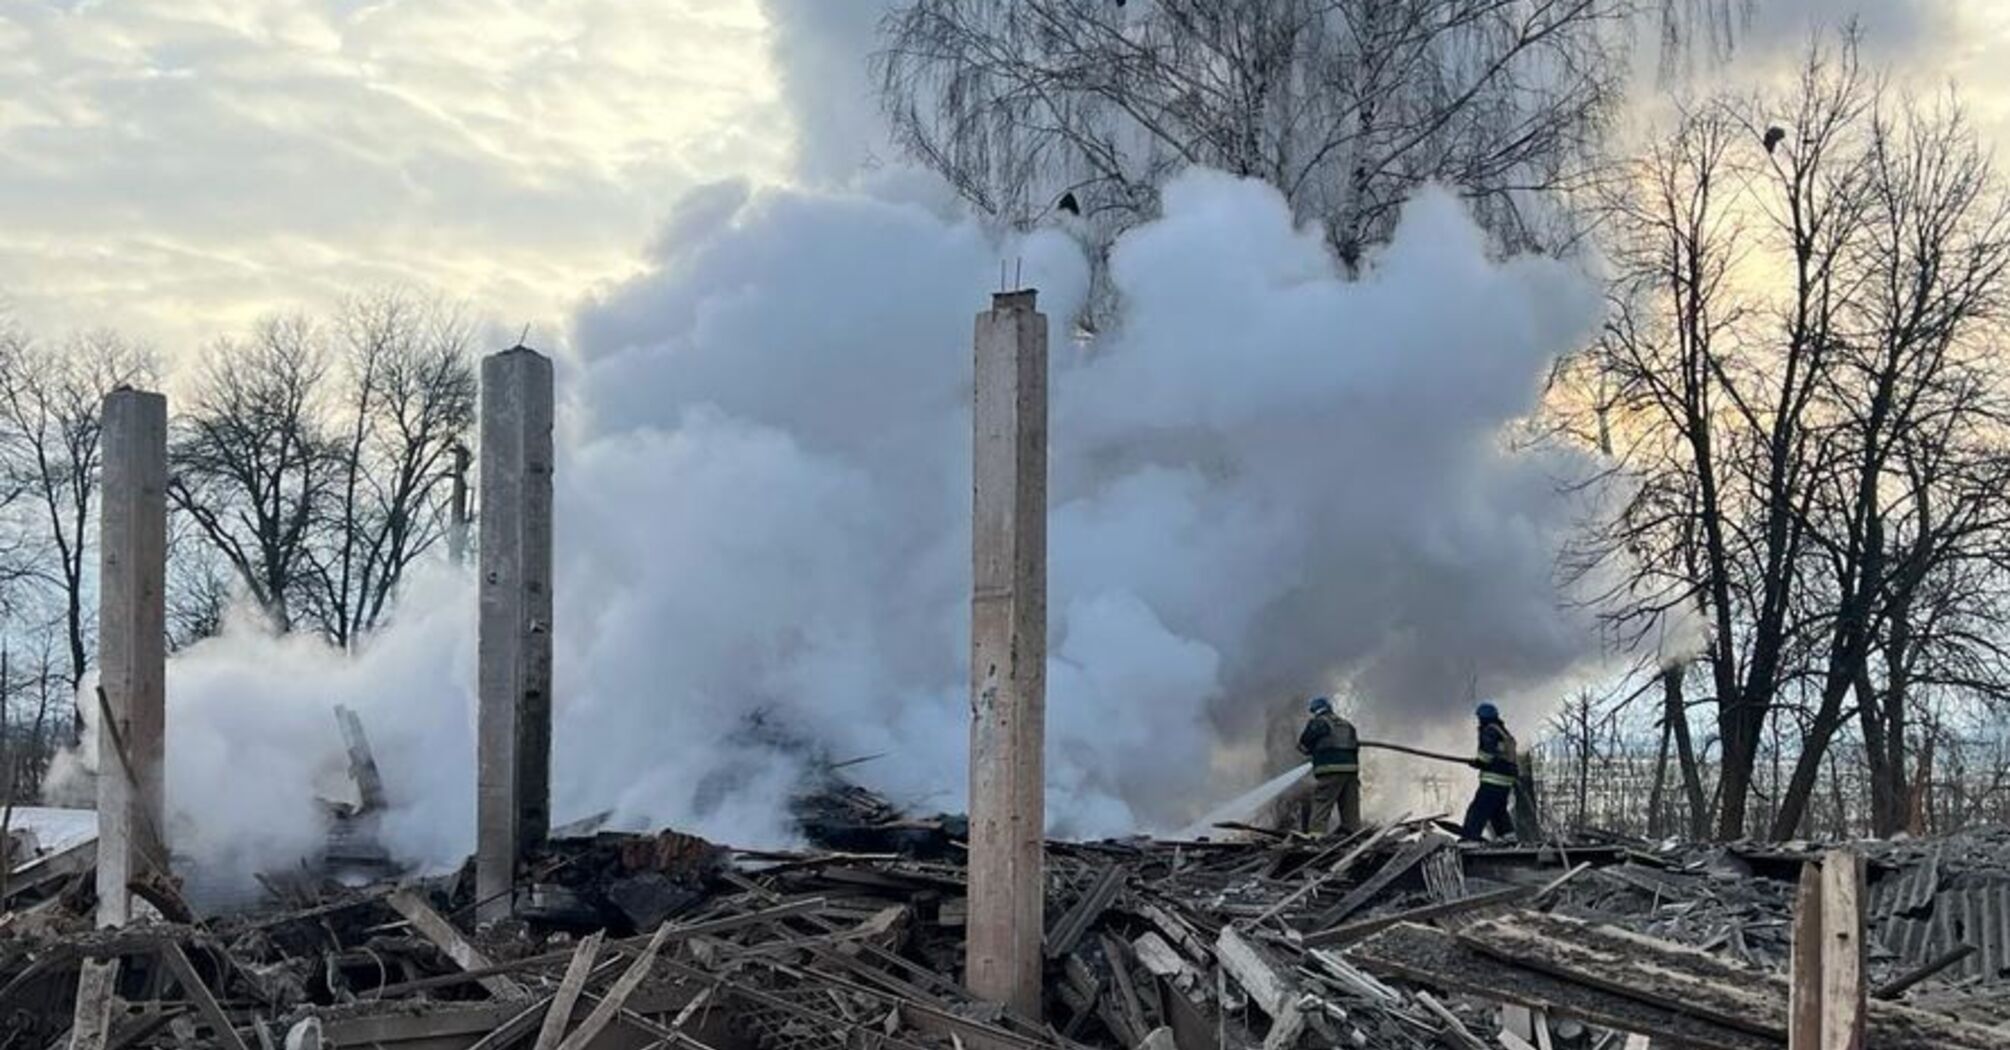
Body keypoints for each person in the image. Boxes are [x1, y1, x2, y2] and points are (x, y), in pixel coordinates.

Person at [1296, 696, 1360, 834]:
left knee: (1321, 804)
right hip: (1351, 772)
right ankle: (1353, 836)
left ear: (1315, 711)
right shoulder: (1347, 725)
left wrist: (1310, 750)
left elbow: (1303, 745)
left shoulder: (1318, 723)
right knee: (1350, 809)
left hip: (1330, 770)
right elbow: (1355, 748)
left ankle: (1316, 837)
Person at [1461, 700, 1518, 842]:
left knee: (1478, 809)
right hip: (1506, 780)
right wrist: (1480, 762)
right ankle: (1509, 837)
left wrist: (1479, 762)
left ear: (1482, 718)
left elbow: (1486, 754)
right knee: (1498, 811)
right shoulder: (1503, 732)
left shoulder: (1489, 730)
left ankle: (1470, 838)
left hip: (1493, 778)